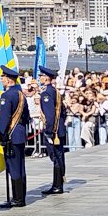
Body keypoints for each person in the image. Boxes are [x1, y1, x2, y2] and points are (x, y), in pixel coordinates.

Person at [0, 65, 30, 209]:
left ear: (9, 80)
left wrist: (2, 136)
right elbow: (27, 116)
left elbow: (4, 119)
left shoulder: (7, 95)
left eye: (3, 77)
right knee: (20, 166)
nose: (1, 79)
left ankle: (17, 198)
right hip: (20, 132)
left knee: (13, 167)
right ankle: (20, 195)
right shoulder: (20, 94)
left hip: (11, 134)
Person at [38, 66, 66, 195]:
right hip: (59, 129)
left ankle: (57, 185)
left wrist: (49, 131)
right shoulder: (55, 91)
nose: (40, 78)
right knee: (59, 156)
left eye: (41, 76)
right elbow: (63, 112)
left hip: (53, 131)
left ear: (46, 77)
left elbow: (49, 115)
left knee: (55, 157)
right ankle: (58, 183)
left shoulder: (47, 93)